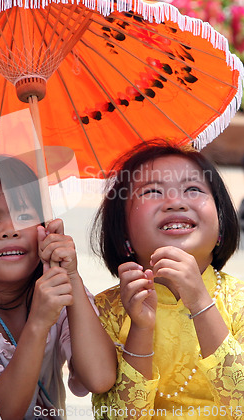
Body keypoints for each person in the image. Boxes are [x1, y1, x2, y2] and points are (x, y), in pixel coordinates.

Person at [0, 155, 116, 420]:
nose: (10, 230)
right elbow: (2, 412)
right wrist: (39, 323)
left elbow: (99, 378)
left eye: (24, 215)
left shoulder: (61, 290)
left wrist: (71, 276)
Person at [90, 139, 244, 419]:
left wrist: (199, 302)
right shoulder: (106, 310)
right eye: (152, 191)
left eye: (193, 189)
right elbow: (117, 415)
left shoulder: (240, 300)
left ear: (221, 223)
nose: (175, 202)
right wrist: (141, 328)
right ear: (122, 232)